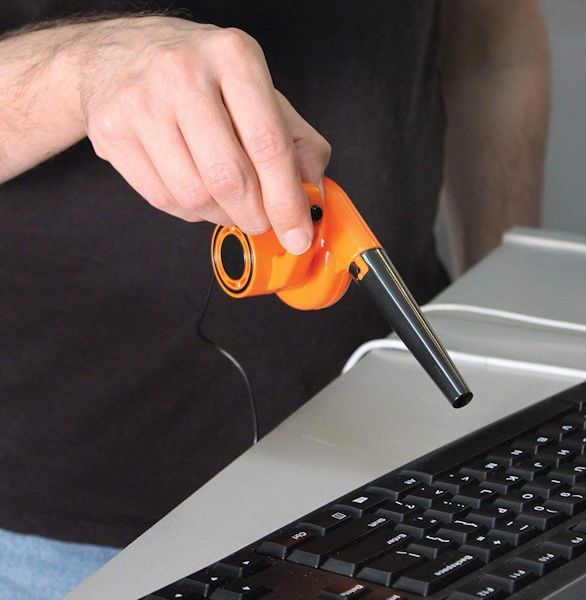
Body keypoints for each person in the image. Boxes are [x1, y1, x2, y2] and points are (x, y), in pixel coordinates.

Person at [0, 1, 549, 597]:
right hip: (70, 522)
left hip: (413, 463)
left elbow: (495, 45)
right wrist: (81, 69)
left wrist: (499, 301)